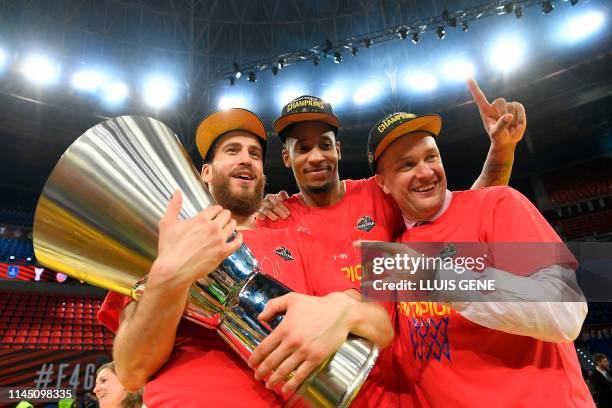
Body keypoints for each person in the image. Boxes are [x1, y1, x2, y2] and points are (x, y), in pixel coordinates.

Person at [98, 108, 393, 407]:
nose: (246, 159)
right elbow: (131, 370)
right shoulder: (165, 242)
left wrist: (343, 309)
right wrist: (169, 274)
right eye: (232, 150)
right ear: (206, 172)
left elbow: (381, 326)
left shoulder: (295, 237)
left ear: (263, 174)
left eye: (255, 154)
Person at [368, 109, 592, 407]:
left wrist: (439, 278)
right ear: (382, 183)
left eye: (431, 157)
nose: (425, 172)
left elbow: (567, 314)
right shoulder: (390, 250)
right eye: (407, 165)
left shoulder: (498, 203)